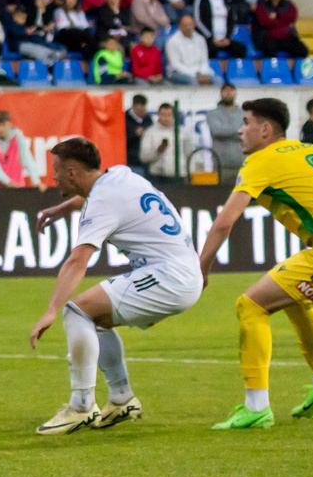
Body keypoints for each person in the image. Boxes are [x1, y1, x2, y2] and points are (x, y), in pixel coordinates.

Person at [198, 96, 313, 430]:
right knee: (294, 299)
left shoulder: (260, 162)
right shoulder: (310, 150)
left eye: (247, 122)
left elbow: (224, 222)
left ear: (266, 130)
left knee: (250, 305)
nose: (240, 131)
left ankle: (256, 407)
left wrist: (202, 269)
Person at [25, 136, 201, 435]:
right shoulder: (118, 175)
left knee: (76, 312)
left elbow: (77, 261)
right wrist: (63, 209)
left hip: (169, 276)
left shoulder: (103, 201)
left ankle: (81, 407)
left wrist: (51, 310)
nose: (52, 176)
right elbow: (90, 195)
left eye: (56, 169)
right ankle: (122, 399)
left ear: (71, 172)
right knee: (97, 319)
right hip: (182, 271)